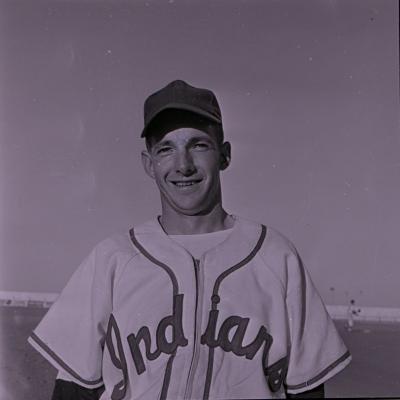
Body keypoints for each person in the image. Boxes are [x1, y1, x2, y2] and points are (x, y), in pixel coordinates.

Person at [29, 80, 351, 399]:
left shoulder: (277, 258)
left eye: (199, 145)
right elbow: (72, 392)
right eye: (166, 149)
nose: (183, 166)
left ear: (224, 155)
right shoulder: (113, 259)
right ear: (149, 164)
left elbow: (308, 393)